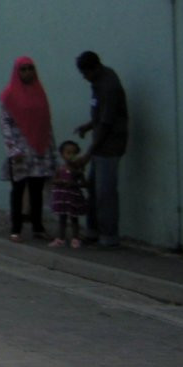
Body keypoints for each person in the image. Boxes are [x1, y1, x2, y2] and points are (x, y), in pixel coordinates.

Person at [75, 50, 129, 248]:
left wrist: (88, 153)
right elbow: (100, 116)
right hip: (100, 143)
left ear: (94, 69)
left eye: (85, 73)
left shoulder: (109, 86)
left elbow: (107, 123)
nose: (84, 78)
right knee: (93, 188)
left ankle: (109, 236)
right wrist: (88, 126)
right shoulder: (98, 83)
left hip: (109, 146)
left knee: (105, 192)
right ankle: (93, 231)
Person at [0, 56, 55, 242]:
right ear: (17, 72)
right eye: (23, 69)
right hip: (20, 150)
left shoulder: (40, 93)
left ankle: (38, 227)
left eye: (30, 68)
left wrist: (50, 147)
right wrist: (12, 149)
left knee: (36, 190)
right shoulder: (10, 95)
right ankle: (16, 228)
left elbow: (46, 121)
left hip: (39, 149)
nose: (27, 72)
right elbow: (5, 123)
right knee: (18, 189)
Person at [49, 140, 88, 248]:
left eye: (74, 153)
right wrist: (61, 182)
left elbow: (84, 183)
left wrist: (74, 183)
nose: (71, 156)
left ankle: (75, 238)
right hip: (62, 197)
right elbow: (54, 180)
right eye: (68, 153)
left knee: (74, 218)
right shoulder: (60, 168)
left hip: (72, 197)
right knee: (62, 218)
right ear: (62, 154)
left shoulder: (78, 170)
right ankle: (61, 238)